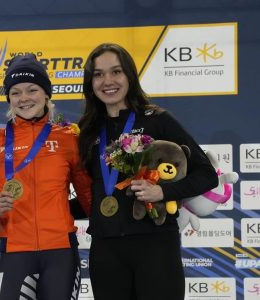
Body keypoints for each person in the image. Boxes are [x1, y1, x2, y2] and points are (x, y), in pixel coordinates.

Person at [75, 43, 219, 300]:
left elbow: (206, 174)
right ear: (90, 82)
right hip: (106, 250)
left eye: (116, 71)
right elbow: (92, 195)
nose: (107, 81)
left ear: (129, 75)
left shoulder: (157, 120)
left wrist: (162, 191)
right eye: (98, 74)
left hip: (155, 246)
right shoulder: (88, 131)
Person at [0, 54, 91, 299]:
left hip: (60, 252)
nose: (24, 98)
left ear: (46, 94)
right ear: (8, 97)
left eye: (32, 90)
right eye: (16, 92)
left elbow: (87, 196)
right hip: (16, 252)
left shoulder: (69, 139)